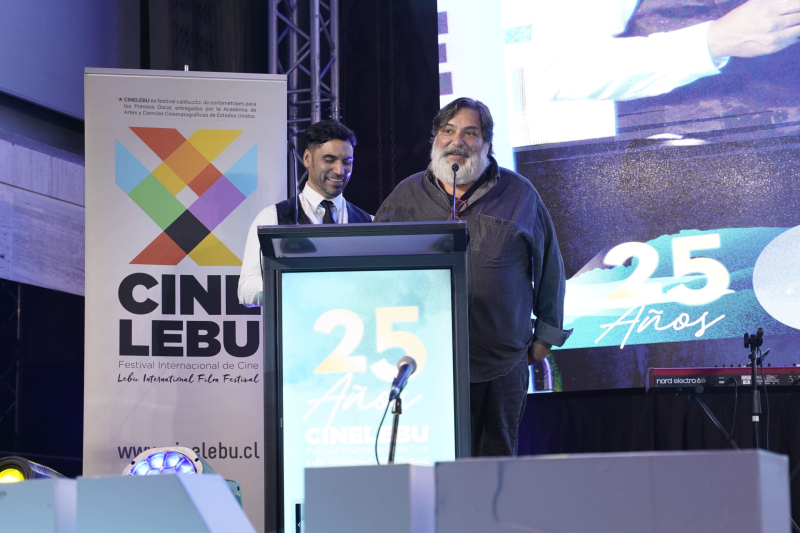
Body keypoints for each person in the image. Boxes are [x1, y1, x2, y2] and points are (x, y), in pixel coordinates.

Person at [374, 98, 571, 456]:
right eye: (448, 131)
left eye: (469, 133)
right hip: (427, 362)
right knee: (434, 465)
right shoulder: (406, 196)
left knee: (495, 469)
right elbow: (374, 267)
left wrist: (545, 337)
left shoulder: (519, 193)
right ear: (435, 138)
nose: (457, 141)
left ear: (486, 143)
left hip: (501, 363)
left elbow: (550, 267)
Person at [238, 119, 372, 307]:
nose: (340, 170)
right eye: (329, 160)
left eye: (347, 162)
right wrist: (298, 284)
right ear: (307, 158)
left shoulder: (370, 222)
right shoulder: (273, 217)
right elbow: (245, 290)